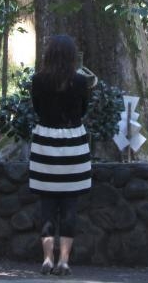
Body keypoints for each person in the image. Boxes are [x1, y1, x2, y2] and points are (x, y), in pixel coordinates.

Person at [29, 35, 91, 276]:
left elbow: (36, 108)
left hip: (45, 143)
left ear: (49, 54)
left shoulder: (37, 80)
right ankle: (64, 260)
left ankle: (47, 258)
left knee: (46, 202)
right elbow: (83, 110)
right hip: (74, 144)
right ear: (72, 55)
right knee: (69, 205)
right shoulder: (81, 81)